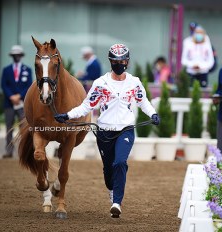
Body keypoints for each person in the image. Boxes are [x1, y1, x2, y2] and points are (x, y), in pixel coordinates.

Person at [54, 44, 160, 218]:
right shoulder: (100, 83)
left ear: (128, 61)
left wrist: (153, 113)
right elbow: (86, 106)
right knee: (108, 169)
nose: (120, 63)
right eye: (116, 61)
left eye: (123, 60)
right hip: (104, 132)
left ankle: (117, 202)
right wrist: (67, 115)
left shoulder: (134, 82)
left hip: (125, 130)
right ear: (111, 61)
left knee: (120, 163)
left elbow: (143, 102)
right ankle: (111, 189)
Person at [0, 45, 33, 158]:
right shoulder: (6, 70)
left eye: (18, 54)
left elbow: (29, 85)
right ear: (12, 56)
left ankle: (23, 152)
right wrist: (11, 97)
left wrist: (19, 96)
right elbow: (3, 85)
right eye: (15, 55)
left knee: (24, 128)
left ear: (21, 55)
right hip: (9, 103)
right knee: (9, 128)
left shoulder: (27, 70)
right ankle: (9, 152)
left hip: (22, 103)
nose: (16, 56)